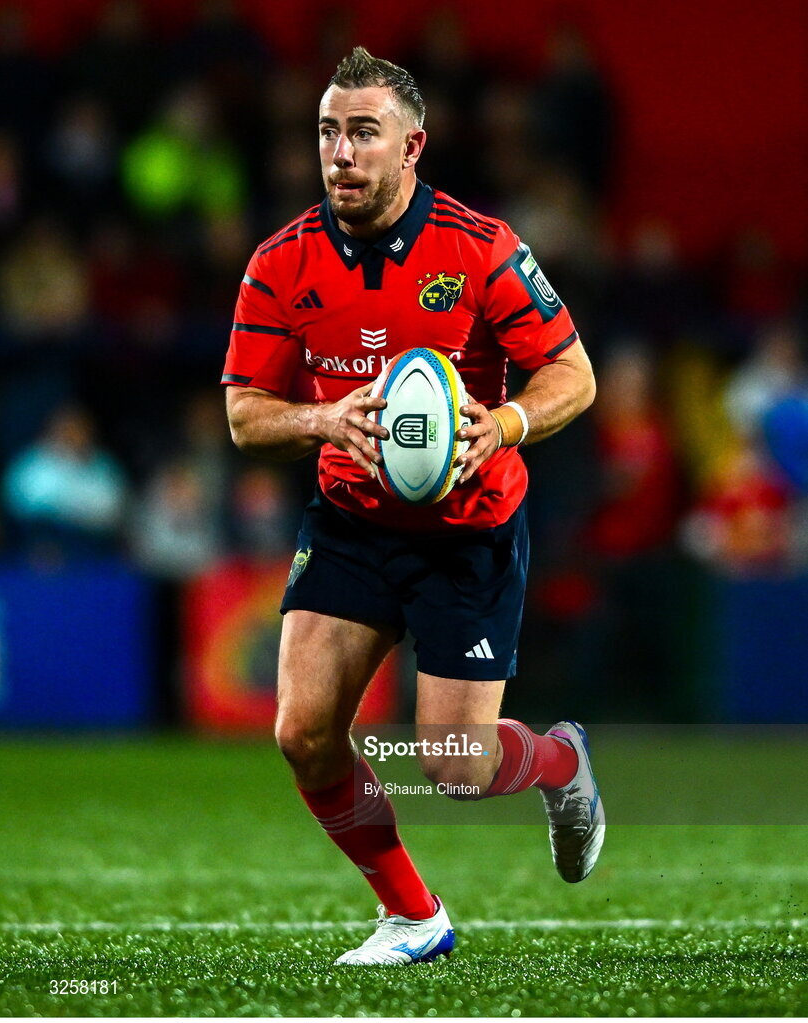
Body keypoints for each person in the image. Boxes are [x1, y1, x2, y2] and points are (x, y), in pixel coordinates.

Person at [222, 47, 604, 966]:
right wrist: (321, 417)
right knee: (305, 734)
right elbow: (243, 416)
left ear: (412, 147)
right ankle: (414, 914)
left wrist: (503, 423)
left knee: (455, 770)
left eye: (362, 133)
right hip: (351, 522)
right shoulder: (280, 264)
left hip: (465, 532)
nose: (340, 154)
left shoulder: (480, 249)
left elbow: (575, 375)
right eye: (327, 133)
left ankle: (561, 762)